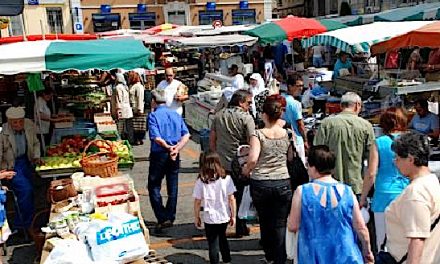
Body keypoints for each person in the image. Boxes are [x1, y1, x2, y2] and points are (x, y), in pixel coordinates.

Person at [288, 145, 374, 264]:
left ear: (313, 167)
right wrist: (367, 251)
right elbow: (360, 227)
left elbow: (293, 225)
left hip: (312, 254)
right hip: (345, 253)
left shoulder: (302, 191)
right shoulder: (347, 191)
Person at [243, 95, 292, 264]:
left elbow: (253, 159)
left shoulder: (258, 134)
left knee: (265, 221)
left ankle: (269, 255)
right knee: (280, 222)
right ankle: (281, 257)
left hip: (261, 181)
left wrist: (246, 169)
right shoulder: (287, 133)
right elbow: (291, 157)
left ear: (264, 115)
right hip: (282, 180)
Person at [381, 132, 440, 264]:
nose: (395, 162)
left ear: (410, 159)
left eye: (397, 158)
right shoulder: (432, 181)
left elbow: (417, 239)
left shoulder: (415, 192)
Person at [359, 107, 410, 251]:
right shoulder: (410, 141)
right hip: (406, 193)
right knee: (407, 240)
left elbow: (371, 173)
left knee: (383, 242)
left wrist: (363, 198)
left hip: (383, 195)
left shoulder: (379, 142)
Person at [209, 89, 255, 238]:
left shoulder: (219, 115)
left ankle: (226, 224)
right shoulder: (246, 118)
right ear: (240, 102)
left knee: (224, 195)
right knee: (240, 195)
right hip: (240, 163)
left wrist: (215, 157)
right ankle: (240, 226)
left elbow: (212, 139)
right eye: (248, 102)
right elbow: (251, 141)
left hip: (222, 162)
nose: (250, 105)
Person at [314, 92, 375, 195]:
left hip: (329, 184)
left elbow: (317, 153)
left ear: (341, 106)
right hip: (355, 184)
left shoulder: (326, 124)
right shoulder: (366, 126)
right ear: (357, 105)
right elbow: (371, 158)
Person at [148, 89, 190, 231]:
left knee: (154, 185)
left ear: (154, 101)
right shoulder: (175, 115)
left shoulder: (153, 116)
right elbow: (186, 135)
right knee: (173, 185)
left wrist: (167, 147)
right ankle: (170, 215)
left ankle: (162, 216)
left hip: (159, 154)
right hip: (174, 154)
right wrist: (176, 148)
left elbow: (157, 137)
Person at [0, 107, 40, 230]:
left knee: (32, 191)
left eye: (20, 121)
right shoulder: (2, 133)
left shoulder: (29, 125)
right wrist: (2, 173)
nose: (18, 124)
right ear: (9, 121)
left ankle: (31, 219)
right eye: (14, 122)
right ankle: (23, 224)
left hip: (26, 160)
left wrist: (37, 156)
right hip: (11, 165)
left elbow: (35, 143)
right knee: (25, 190)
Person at [193, 152, 236, 264]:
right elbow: (231, 198)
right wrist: (233, 215)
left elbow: (197, 201)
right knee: (222, 238)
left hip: (209, 217)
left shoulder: (201, 181)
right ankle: (227, 260)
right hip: (223, 215)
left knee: (212, 242)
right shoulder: (226, 178)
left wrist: (197, 216)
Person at [284, 76, 308, 163]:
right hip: (296, 140)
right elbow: (300, 125)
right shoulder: (295, 104)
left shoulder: (281, 100)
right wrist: (305, 141)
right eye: (298, 86)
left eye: (302, 86)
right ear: (290, 86)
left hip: (284, 139)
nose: (301, 89)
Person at [114, 73, 134, 143]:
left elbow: (119, 99)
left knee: (120, 126)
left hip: (122, 108)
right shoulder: (125, 87)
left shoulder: (118, 87)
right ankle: (130, 140)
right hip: (127, 108)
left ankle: (120, 140)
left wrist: (118, 110)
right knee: (128, 126)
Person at [129, 71, 146, 145]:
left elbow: (140, 98)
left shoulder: (138, 86)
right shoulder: (133, 86)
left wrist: (139, 109)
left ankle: (139, 139)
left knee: (138, 125)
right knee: (136, 125)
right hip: (133, 107)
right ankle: (137, 138)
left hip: (137, 108)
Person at [34, 88, 53, 153]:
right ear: (43, 94)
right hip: (40, 130)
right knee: (41, 148)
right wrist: (52, 119)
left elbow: (45, 113)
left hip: (44, 128)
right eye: (48, 96)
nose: (49, 97)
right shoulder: (39, 101)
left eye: (50, 96)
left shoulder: (43, 101)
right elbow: (39, 115)